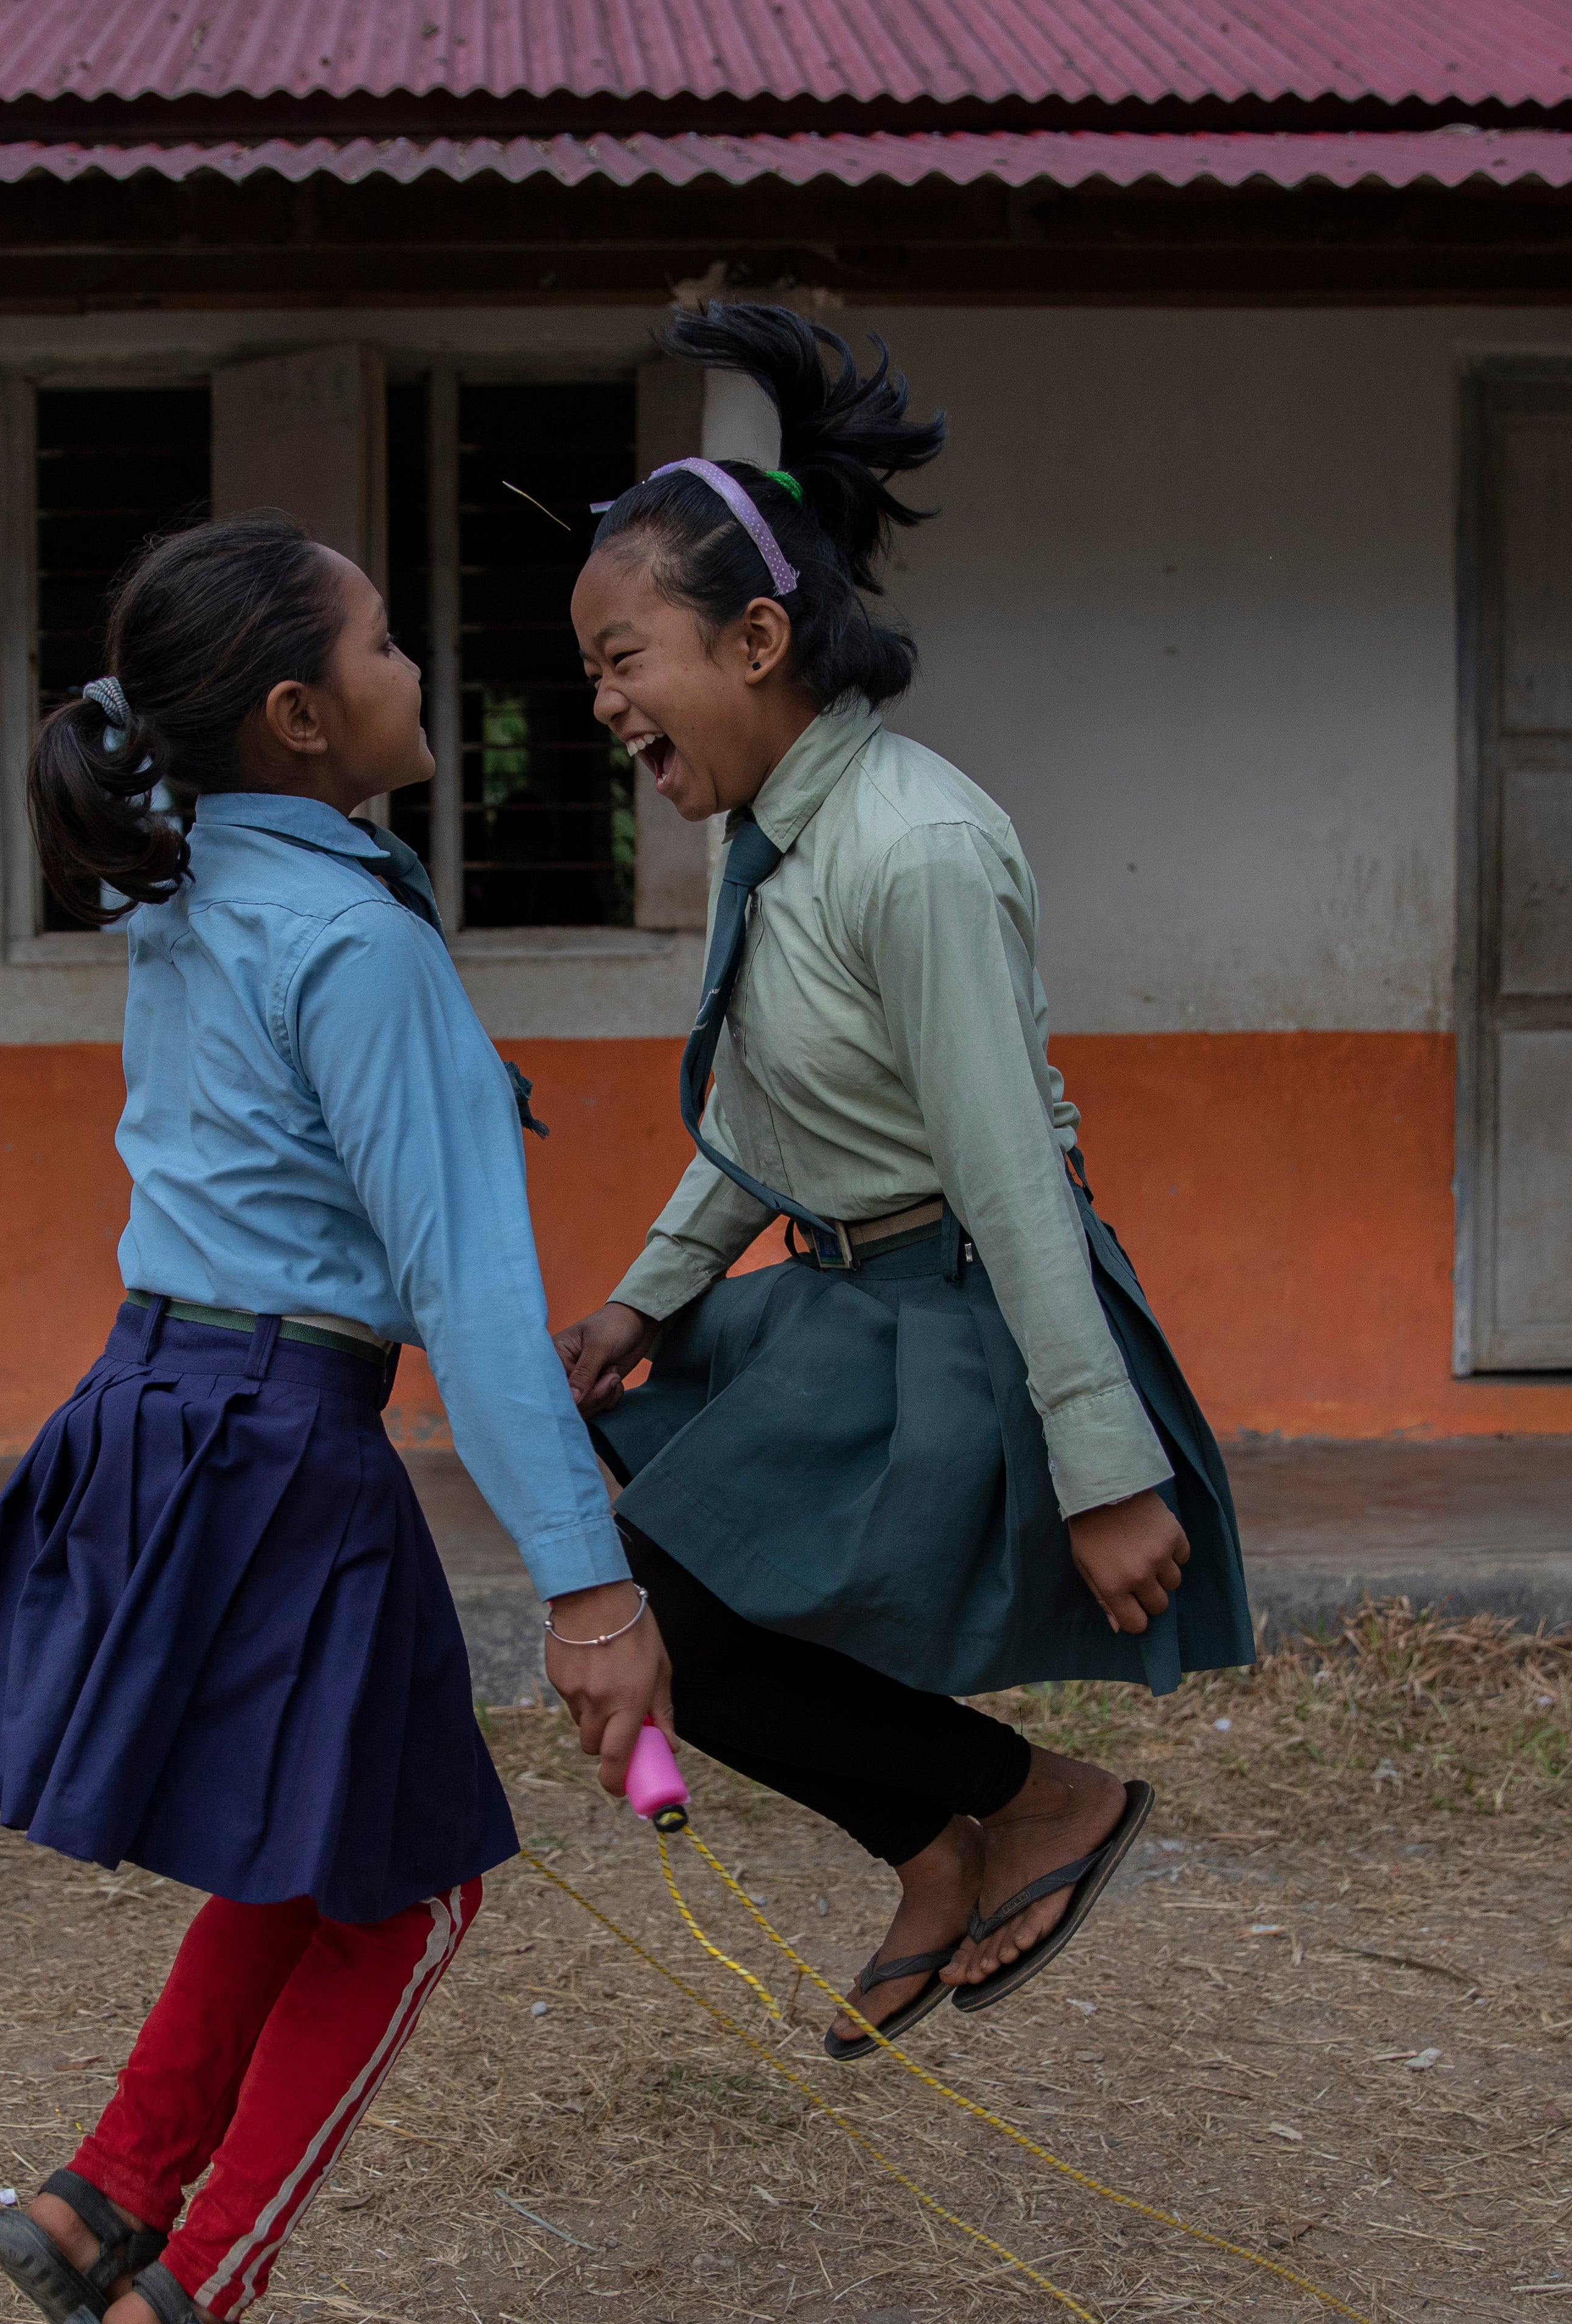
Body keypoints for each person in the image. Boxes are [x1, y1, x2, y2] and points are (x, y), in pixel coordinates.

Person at [0, 513, 674, 2324]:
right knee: (411, 1886)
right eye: (395, 644)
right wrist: (590, 1591)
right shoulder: (351, 936)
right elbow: (471, 1293)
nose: (429, 673)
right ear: (304, 715)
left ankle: (103, 2202)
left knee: (316, 1842)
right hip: (277, 1432)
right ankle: (192, 2295)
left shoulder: (201, 886)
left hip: (163, 1393)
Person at [556, 305, 1253, 2060]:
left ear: (761, 635)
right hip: (845, 1289)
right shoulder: (771, 832)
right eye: (591, 669)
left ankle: (1034, 1807)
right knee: (665, 1587)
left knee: (680, 1603)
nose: (603, 702)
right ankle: (944, 1846)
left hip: (957, 1309)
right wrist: (649, 1287)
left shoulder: (912, 845)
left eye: (623, 654)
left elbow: (1012, 1168)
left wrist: (1106, 1466)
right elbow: (773, 1108)